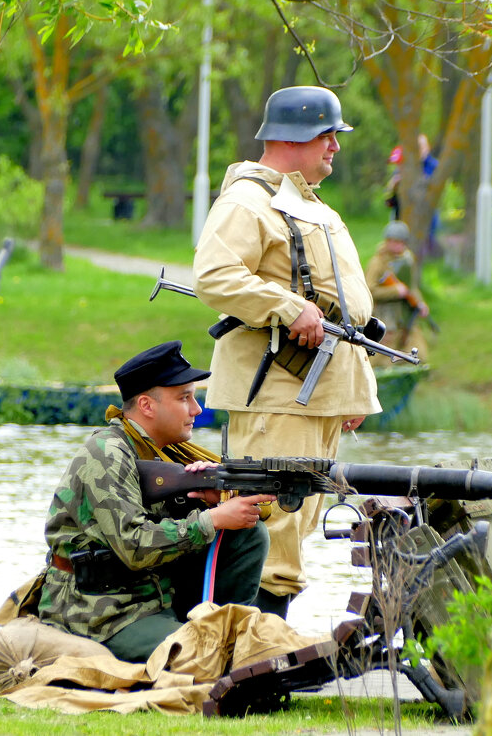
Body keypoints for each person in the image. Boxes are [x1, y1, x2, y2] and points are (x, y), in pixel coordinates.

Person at [192, 86, 380, 619]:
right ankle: (250, 646)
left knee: (297, 525)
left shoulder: (309, 204)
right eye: (327, 135)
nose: (335, 147)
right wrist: (287, 307)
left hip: (316, 393)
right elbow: (214, 275)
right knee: (272, 525)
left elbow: (344, 310)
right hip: (276, 392)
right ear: (294, 136)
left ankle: (265, 644)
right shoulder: (248, 201)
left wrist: (353, 391)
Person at [36, 341, 273, 663]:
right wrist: (213, 519)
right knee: (208, 656)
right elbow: (134, 545)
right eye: (184, 398)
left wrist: (209, 502)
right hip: (101, 611)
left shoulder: (163, 452)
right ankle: (217, 645)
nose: (196, 410)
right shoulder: (106, 455)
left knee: (248, 534)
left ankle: (227, 630)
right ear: (147, 406)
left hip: (155, 596)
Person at [364, 220, 430, 364]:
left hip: (406, 316)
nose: (397, 246)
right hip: (386, 317)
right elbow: (369, 290)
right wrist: (394, 291)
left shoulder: (407, 260)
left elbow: (411, 287)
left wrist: (419, 303)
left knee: (419, 355)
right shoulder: (378, 262)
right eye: (393, 241)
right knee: (382, 360)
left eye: (400, 242)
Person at [384, 133, 440, 253]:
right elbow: (389, 201)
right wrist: (393, 187)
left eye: (422, 147)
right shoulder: (400, 173)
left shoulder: (432, 166)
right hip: (400, 214)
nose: (399, 167)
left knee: (425, 241)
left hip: (424, 214)